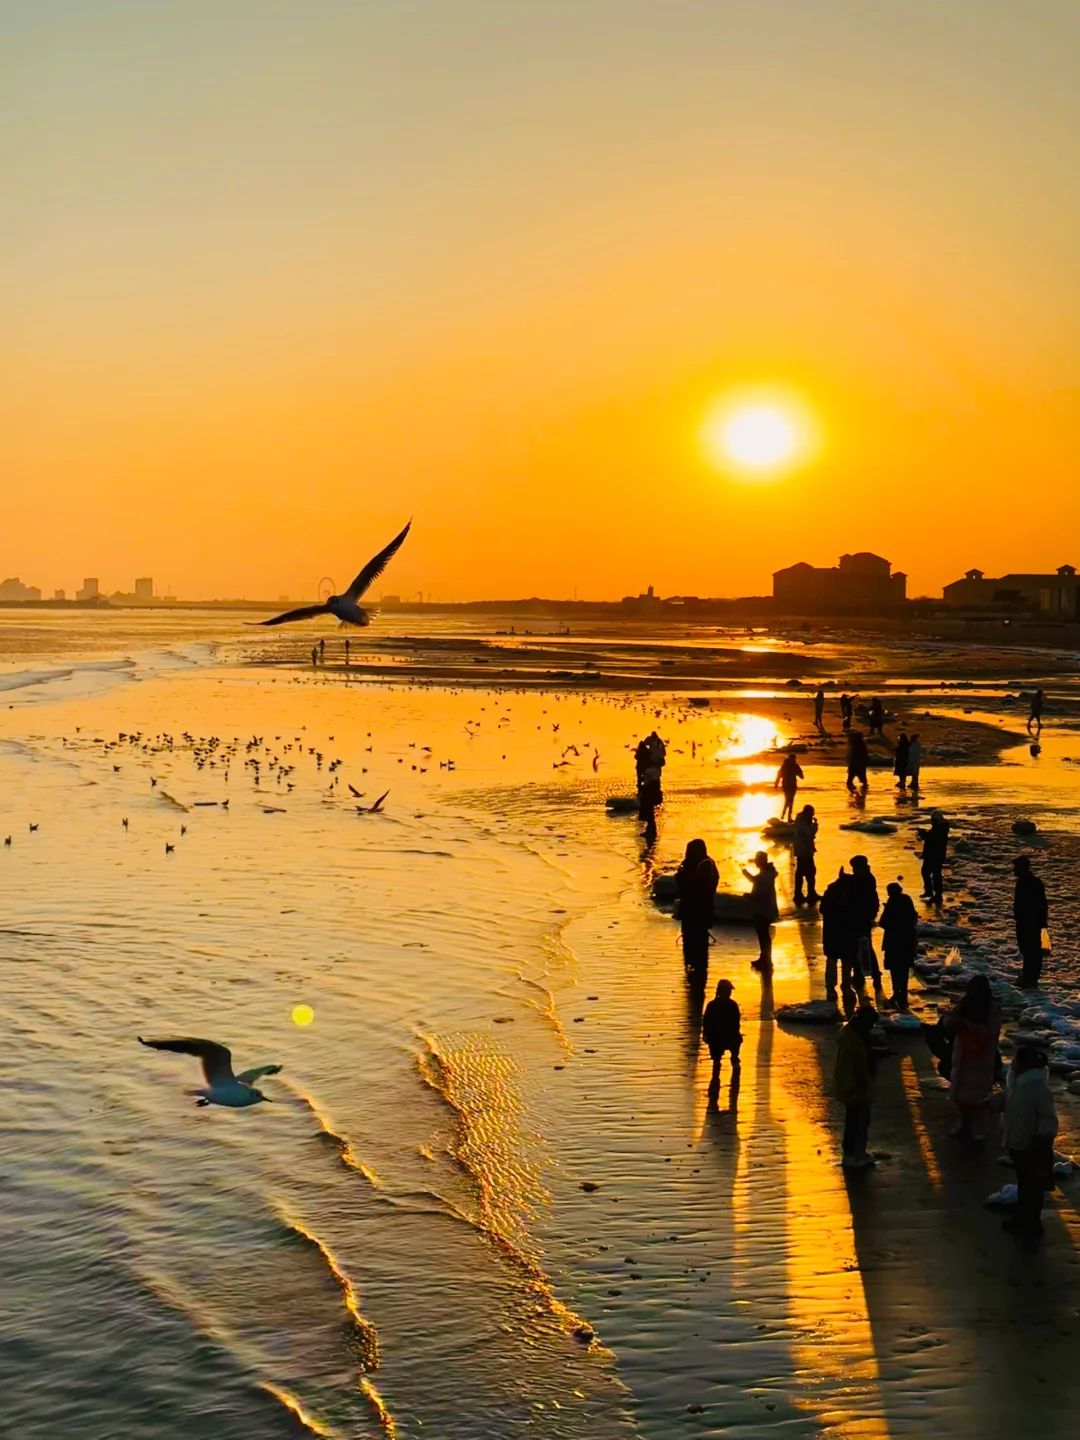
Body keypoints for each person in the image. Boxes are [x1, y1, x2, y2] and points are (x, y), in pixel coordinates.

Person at [1000, 1044, 1057, 1241]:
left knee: (1032, 1187)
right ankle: (1023, 1220)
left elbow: (1048, 1117)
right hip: (1017, 1141)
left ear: (1024, 1065)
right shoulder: (1016, 1084)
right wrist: (991, 1102)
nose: (1012, 1062)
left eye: (1015, 1059)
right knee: (1025, 1183)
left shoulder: (1038, 1090)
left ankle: (1031, 1223)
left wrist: (1044, 1136)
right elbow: (1006, 1100)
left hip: (1032, 1145)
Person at [943, 974, 1001, 1140]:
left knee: (978, 1096)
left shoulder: (991, 1009)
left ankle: (979, 1128)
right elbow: (951, 1020)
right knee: (961, 1092)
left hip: (980, 1056)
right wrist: (953, 1024)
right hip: (963, 1055)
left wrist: (969, 1026)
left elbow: (992, 1031)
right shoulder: (964, 1004)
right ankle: (963, 1123)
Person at [834, 1004, 885, 1168]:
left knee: (859, 1122)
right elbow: (845, 1068)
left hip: (860, 1088)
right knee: (857, 1123)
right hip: (857, 1090)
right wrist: (851, 1088)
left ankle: (857, 1153)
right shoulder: (852, 1042)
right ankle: (853, 1154)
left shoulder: (855, 1036)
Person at [675, 839, 719, 976]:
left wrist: (689, 878)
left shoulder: (707, 864)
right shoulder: (688, 863)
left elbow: (708, 884)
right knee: (689, 940)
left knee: (698, 942)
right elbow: (680, 879)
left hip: (699, 909)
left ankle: (698, 970)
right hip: (692, 908)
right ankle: (692, 969)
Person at [880, 881, 918, 1008]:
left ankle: (897, 991)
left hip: (893, 941)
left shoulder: (891, 902)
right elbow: (913, 917)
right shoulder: (906, 900)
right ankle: (903, 992)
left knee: (894, 968)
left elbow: (883, 922)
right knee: (904, 967)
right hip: (907, 940)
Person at [1013, 855, 1049, 988]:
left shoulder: (1033, 883)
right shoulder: (1024, 882)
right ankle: (1028, 975)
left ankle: (1031, 977)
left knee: (1032, 950)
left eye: (1016, 867)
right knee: (1027, 950)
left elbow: (1042, 904)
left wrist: (1041, 922)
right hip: (1024, 922)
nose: (1014, 870)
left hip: (1031, 923)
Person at [820, 867, 856, 997]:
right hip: (838, 931)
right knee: (843, 960)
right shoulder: (843, 893)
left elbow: (822, 909)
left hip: (834, 931)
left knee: (836, 960)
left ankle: (836, 986)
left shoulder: (833, 891)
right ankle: (840, 986)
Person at [702, 979, 742, 1092]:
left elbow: (736, 1023)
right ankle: (716, 1077)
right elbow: (706, 1022)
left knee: (736, 1041)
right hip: (716, 1037)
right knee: (716, 1060)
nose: (729, 993)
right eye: (728, 991)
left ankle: (734, 1059)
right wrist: (706, 1035)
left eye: (729, 991)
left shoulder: (732, 1005)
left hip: (729, 1035)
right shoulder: (712, 1005)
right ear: (721, 992)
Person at [742, 851, 779, 972]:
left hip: (763, 910)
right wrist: (746, 874)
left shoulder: (765, 875)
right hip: (764, 909)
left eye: (757, 860)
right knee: (763, 935)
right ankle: (764, 958)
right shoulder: (766, 874)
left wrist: (750, 896)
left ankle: (766, 960)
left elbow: (761, 892)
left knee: (763, 935)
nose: (756, 862)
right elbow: (755, 881)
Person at [848, 854, 881, 983]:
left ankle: (867, 974)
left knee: (862, 947)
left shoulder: (863, 880)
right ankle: (863, 974)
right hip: (862, 917)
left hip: (860, 918)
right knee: (861, 946)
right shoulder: (866, 878)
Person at [918, 809, 949, 904]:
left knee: (932, 874)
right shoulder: (940, 827)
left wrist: (923, 834)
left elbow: (932, 839)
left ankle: (935, 894)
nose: (931, 821)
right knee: (932, 874)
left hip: (934, 855)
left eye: (932, 819)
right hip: (935, 854)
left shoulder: (939, 829)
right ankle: (932, 892)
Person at [792, 804, 818, 904]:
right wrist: (815, 826)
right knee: (806, 872)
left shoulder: (802, 821)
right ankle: (801, 894)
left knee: (807, 872)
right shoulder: (802, 822)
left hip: (805, 850)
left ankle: (809, 893)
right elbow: (810, 834)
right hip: (804, 851)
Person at [775, 750, 804, 822]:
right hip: (791, 785)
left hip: (786, 785)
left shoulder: (784, 766)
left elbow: (779, 775)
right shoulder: (794, 766)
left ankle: (785, 816)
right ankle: (786, 816)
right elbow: (802, 776)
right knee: (790, 800)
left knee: (788, 800)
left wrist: (776, 784)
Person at [638, 763, 663, 844]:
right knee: (650, 817)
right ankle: (650, 831)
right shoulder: (654, 782)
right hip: (650, 801)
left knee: (650, 817)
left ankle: (651, 832)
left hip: (649, 801)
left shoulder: (651, 785)